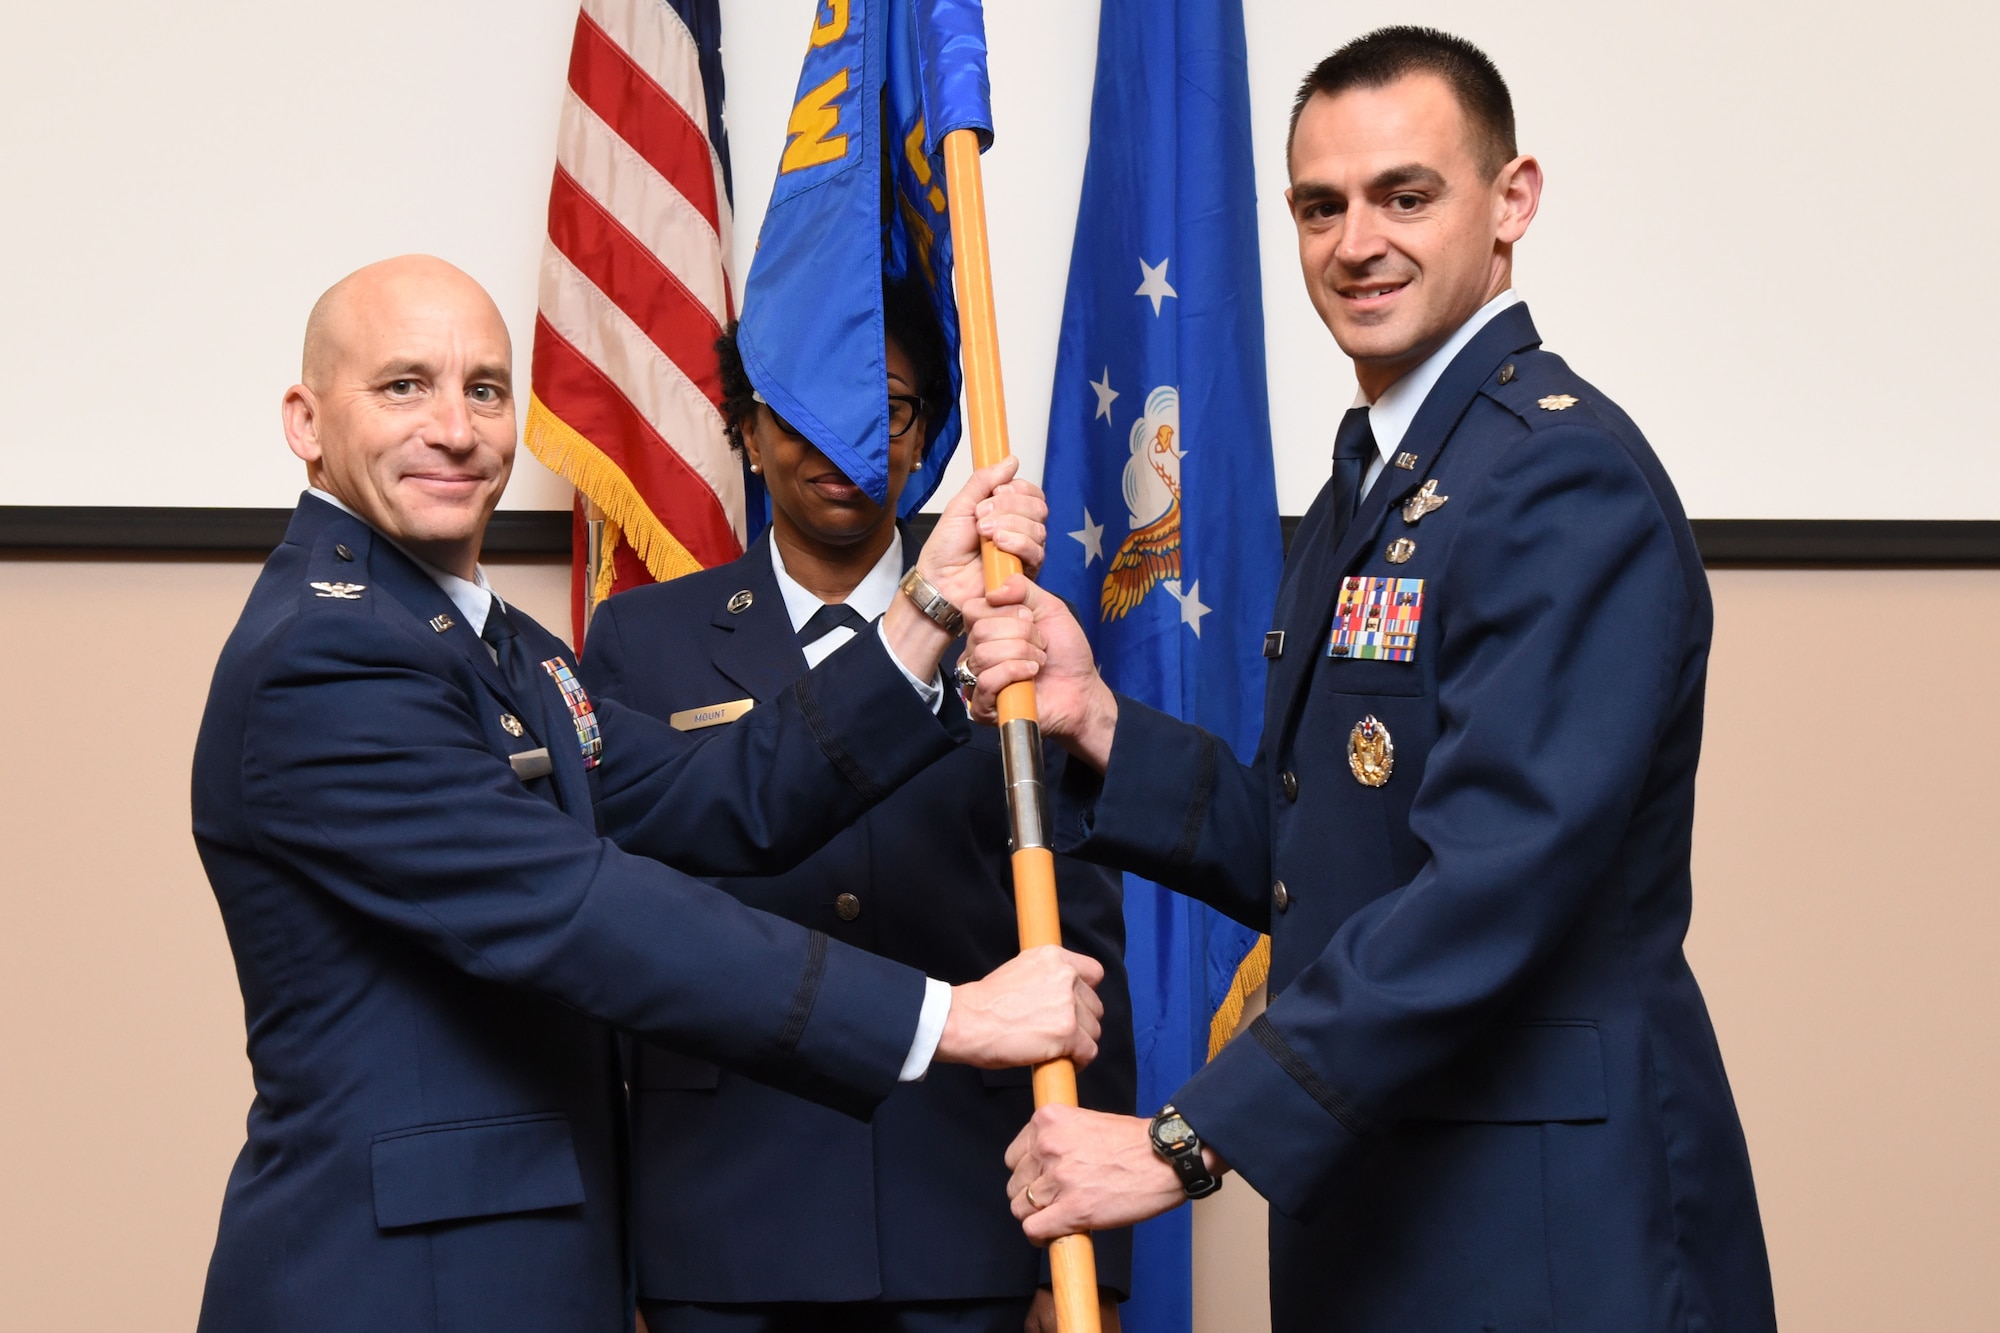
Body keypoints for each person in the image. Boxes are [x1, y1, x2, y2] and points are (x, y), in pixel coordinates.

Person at [963, 27, 1778, 1333]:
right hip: (1390, 1210)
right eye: (1320, 206)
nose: (1358, 243)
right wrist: (1098, 719)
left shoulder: (1559, 481)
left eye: (1407, 195)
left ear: (1510, 204)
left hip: (1546, 1234)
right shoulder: (1381, 476)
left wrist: (1184, 1139)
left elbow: (1486, 888)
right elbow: (1334, 860)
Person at [190, 255, 1102, 1333]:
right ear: (306, 420)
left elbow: (725, 791)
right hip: (396, 1281)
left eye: (483, 388)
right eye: (402, 386)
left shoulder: (498, 648)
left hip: (525, 1259)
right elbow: (582, 912)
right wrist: (947, 1015)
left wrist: (922, 612)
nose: (453, 427)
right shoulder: (329, 656)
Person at [581, 277, 1134, 1333]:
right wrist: (620, 1266)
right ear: (745, 428)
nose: (843, 438)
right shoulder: (638, 641)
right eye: (802, 406)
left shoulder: (1016, 636)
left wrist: (1089, 1266)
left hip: (970, 1217)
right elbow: (613, 963)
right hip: (718, 1226)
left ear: (924, 435)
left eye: (883, 407)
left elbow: (1079, 945)